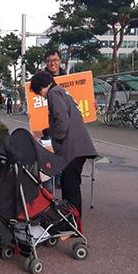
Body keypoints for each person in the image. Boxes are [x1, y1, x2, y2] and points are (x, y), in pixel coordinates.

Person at [29, 72, 97, 217]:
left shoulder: (53, 93)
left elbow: (62, 122)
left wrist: (58, 141)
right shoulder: (61, 92)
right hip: (79, 147)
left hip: (72, 148)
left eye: (39, 92)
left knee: (70, 186)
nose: (41, 96)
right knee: (69, 184)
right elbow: (62, 120)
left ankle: (74, 223)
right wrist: (46, 132)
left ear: (41, 86)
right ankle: (71, 220)